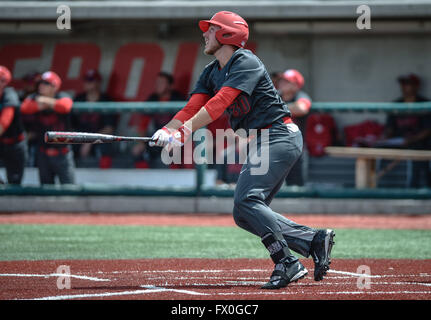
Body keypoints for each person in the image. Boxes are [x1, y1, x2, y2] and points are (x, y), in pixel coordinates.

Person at [149, 11, 335, 289]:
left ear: (226, 34)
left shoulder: (246, 62)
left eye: (210, 30)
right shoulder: (211, 71)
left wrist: (184, 132)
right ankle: (312, 240)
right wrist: (167, 129)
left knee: (247, 200)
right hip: (263, 140)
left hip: (280, 136)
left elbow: (219, 104)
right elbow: (193, 107)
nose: (205, 34)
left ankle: (287, 262)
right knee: (244, 212)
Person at [21, 71, 75, 185]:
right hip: (43, 153)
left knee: (69, 190)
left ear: (54, 87)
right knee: (46, 191)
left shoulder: (62, 96)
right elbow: (24, 107)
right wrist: (44, 104)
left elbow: (65, 106)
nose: (41, 86)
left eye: (46, 83)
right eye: (40, 83)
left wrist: (46, 101)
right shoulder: (34, 97)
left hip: (62, 154)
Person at [382, 73, 431, 188]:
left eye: (408, 84)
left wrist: (411, 140)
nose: (404, 86)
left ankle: (413, 189)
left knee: (419, 153)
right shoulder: (396, 104)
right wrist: (386, 138)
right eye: (403, 84)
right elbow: (390, 128)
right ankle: (379, 187)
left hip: (420, 144)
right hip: (399, 143)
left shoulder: (424, 104)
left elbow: (428, 130)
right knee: (377, 150)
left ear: (416, 86)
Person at [73, 69, 117, 168]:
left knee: (106, 146)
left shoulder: (106, 100)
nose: (88, 83)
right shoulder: (79, 99)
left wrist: (90, 142)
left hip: (98, 139)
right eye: (86, 80)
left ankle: (104, 177)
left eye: (91, 80)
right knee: (67, 144)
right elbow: (70, 125)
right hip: (80, 138)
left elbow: (110, 128)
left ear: (98, 83)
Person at [142, 72, 186, 168]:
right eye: (157, 83)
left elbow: (185, 124)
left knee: (175, 151)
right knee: (139, 151)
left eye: (162, 83)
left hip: (176, 136)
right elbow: (143, 124)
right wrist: (140, 143)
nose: (158, 86)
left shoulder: (178, 99)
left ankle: (176, 180)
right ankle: (144, 180)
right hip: (158, 134)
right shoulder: (153, 98)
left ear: (170, 86)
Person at [278, 69, 312, 187]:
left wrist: (276, 109)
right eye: (282, 80)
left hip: (296, 150)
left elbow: (302, 108)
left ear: (296, 85)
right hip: (275, 148)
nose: (282, 83)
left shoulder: (301, 96)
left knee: (297, 187)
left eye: (287, 81)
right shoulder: (275, 95)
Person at [0, 66, 27, 185]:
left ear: (4, 82)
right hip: (1, 143)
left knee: (14, 182)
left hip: (14, 144)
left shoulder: (9, 94)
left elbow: (4, 122)